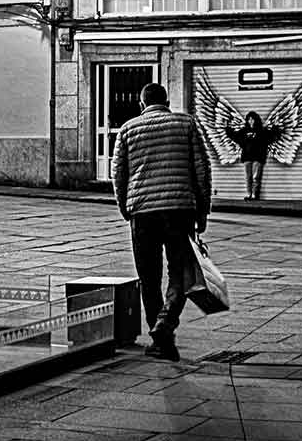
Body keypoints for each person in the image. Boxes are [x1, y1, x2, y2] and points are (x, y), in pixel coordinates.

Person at [111, 83, 212, 362]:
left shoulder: (128, 129)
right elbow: (202, 169)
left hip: (142, 213)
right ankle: (165, 325)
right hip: (180, 209)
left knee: (149, 277)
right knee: (180, 272)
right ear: (167, 102)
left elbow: (118, 175)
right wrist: (202, 210)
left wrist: (125, 208)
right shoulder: (187, 123)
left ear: (141, 105)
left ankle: (161, 336)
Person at [225, 111, 281, 200]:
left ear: (256, 120)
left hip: (258, 157)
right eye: (249, 119)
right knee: (248, 177)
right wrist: (228, 129)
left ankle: (255, 194)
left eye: (252, 119)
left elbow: (270, 136)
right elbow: (235, 137)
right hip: (247, 157)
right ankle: (248, 194)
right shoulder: (244, 131)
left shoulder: (261, 131)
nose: (251, 121)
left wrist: (276, 127)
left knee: (256, 177)